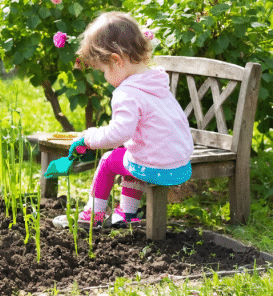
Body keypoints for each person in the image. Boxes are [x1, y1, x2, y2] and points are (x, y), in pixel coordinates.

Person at [54, 12, 193, 228]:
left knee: (109, 161)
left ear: (116, 60)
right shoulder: (155, 80)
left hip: (157, 165)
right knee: (129, 155)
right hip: (180, 162)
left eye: (103, 71)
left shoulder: (127, 93)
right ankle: (127, 214)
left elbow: (119, 134)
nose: (105, 79)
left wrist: (89, 138)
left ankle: (94, 215)